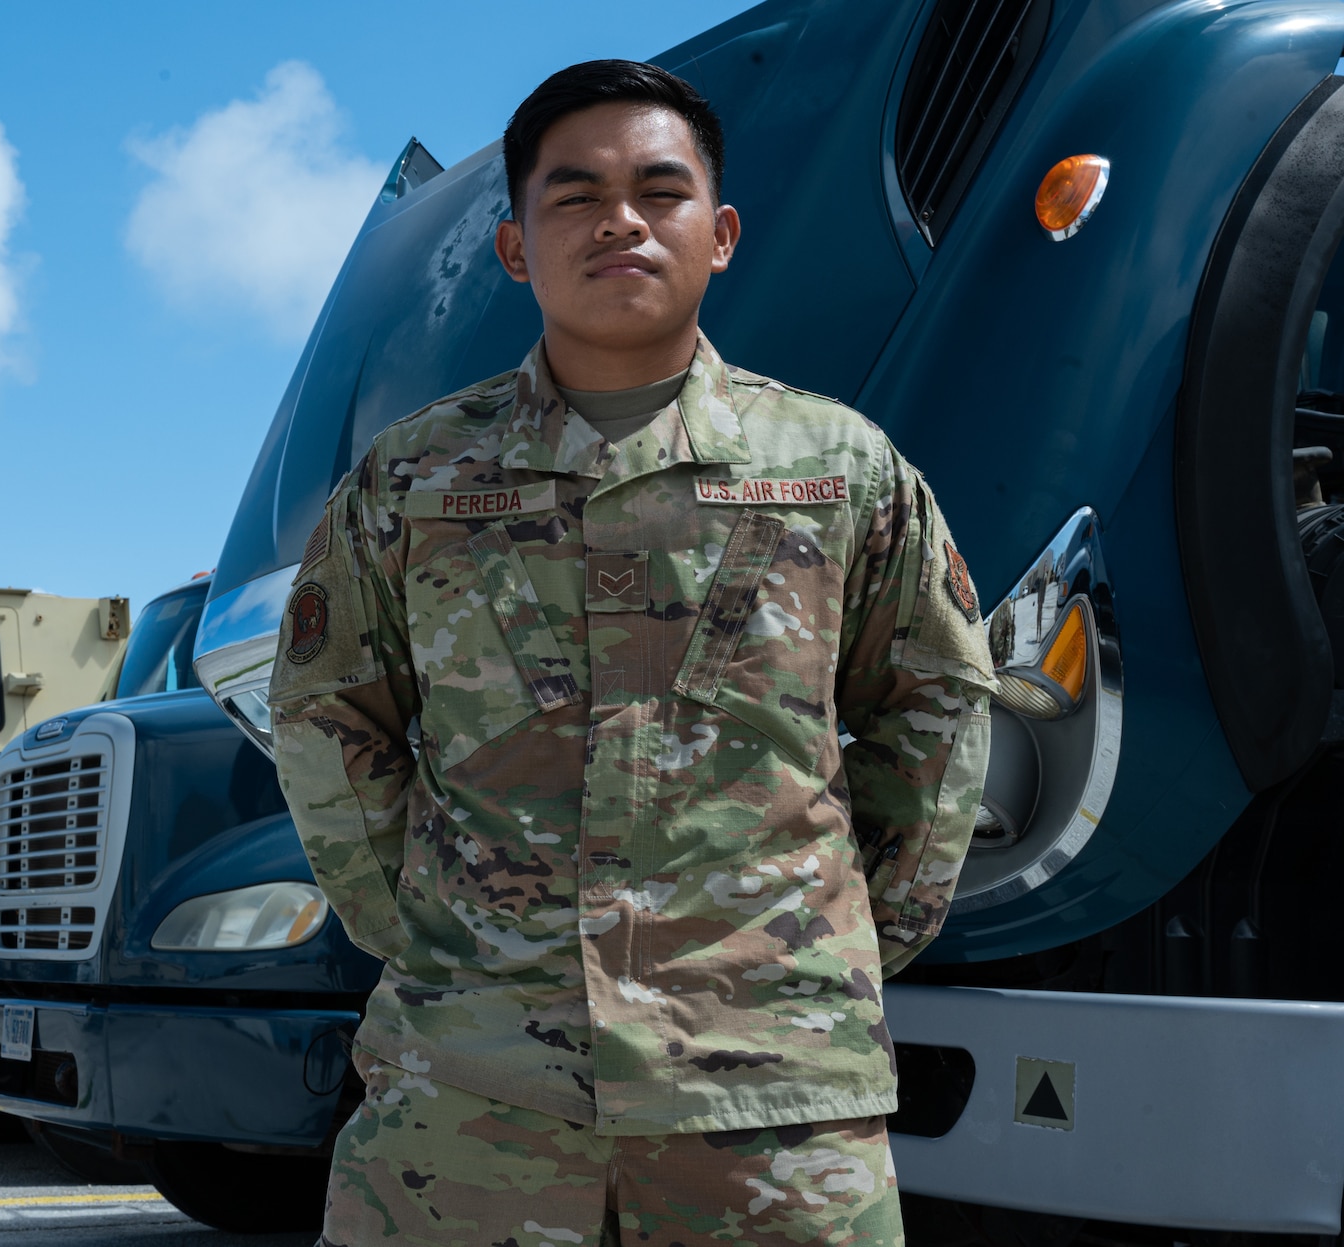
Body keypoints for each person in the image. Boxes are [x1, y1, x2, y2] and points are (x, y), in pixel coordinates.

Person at [268, 59, 996, 1247]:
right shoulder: (412, 481)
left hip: (768, 1094)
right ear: (513, 247)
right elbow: (324, 708)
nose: (620, 219)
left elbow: (936, 702)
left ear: (719, 234)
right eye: (575, 194)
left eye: (659, 191)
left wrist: (838, 922)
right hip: (469, 1091)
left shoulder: (841, 470)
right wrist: (426, 919)